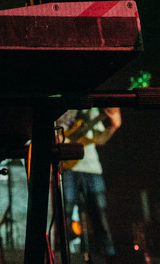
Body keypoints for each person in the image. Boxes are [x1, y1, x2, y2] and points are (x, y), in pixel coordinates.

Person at [57, 107, 121, 262]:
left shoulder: (92, 110)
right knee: (64, 212)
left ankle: (108, 255)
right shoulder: (61, 108)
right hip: (68, 168)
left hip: (92, 168)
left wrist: (114, 125)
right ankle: (60, 253)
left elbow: (100, 139)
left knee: (100, 214)